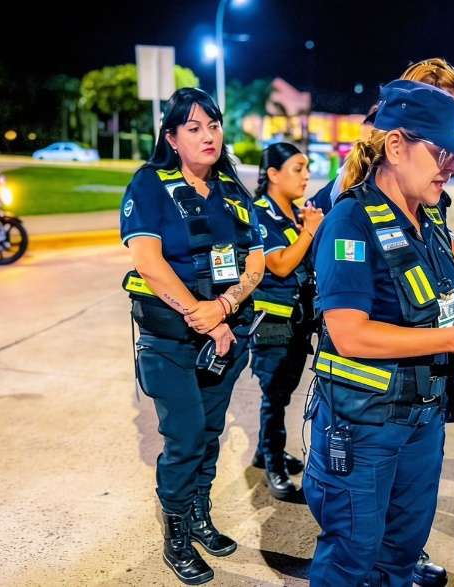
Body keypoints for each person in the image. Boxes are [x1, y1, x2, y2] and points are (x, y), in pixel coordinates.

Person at [303, 79, 454, 586]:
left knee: (401, 555)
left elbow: (449, 305)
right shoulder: (350, 222)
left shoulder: (429, 222)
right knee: (350, 560)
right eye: (441, 151)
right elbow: (350, 334)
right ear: (397, 146)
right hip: (365, 429)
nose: (452, 165)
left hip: (422, 424)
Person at [119, 87, 265, 585]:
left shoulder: (232, 189)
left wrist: (224, 307)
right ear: (172, 138)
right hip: (169, 341)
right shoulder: (149, 185)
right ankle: (177, 535)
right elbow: (148, 261)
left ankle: (200, 516)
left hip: (224, 338)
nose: (208, 136)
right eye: (194, 128)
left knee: (208, 432)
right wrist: (199, 313)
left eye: (214, 126)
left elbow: (256, 259)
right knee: (183, 436)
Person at [247, 142, 324, 500]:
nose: (306, 176)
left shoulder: (295, 213)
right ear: (273, 175)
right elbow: (278, 264)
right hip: (272, 322)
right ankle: (273, 466)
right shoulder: (260, 214)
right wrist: (309, 231)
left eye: (306, 168)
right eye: (298, 168)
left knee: (284, 391)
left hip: (297, 321)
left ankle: (265, 450)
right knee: (274, 396)